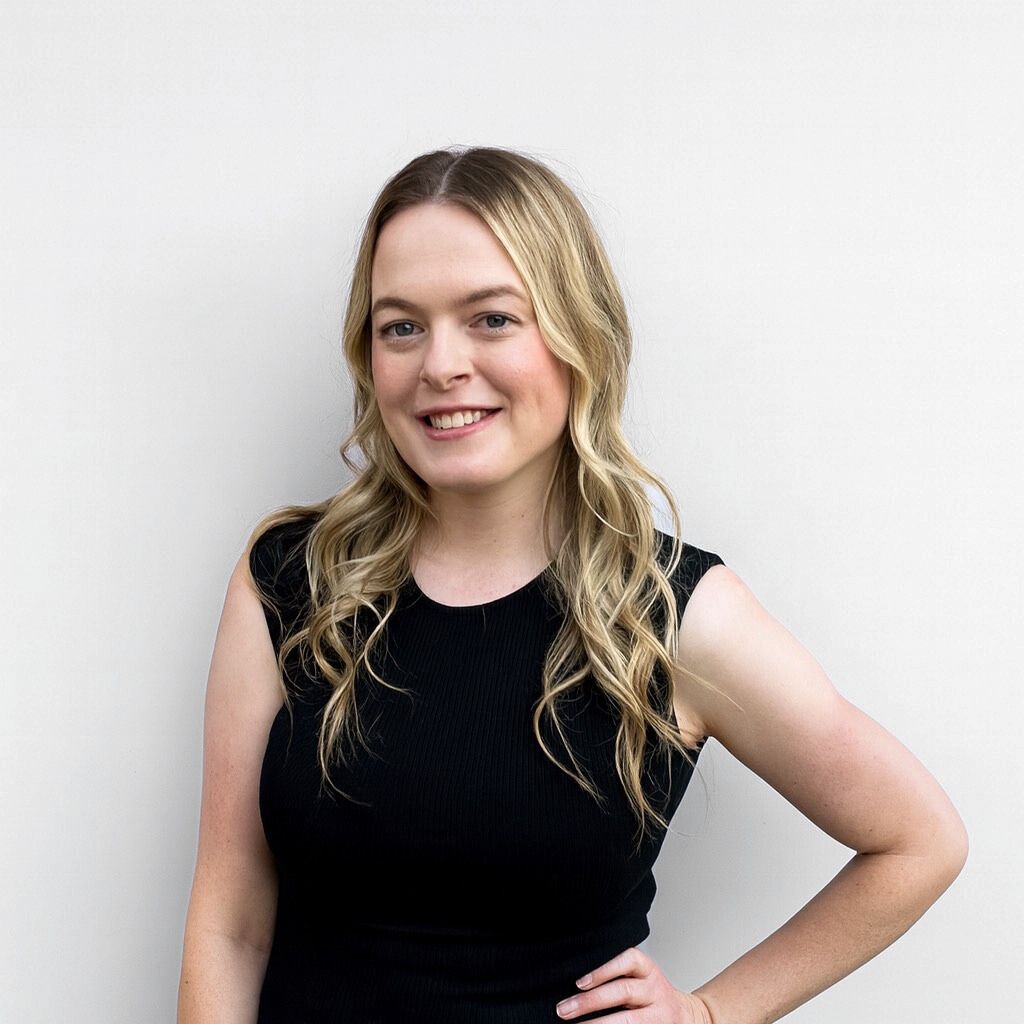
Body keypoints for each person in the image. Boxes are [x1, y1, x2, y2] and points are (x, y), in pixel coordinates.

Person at [177, 145, 968, 1024]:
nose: (440, 364)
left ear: (575, 334)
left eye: (491, 319)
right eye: (401, 326)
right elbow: (230, 925)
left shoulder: (673, 616)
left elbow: (918, 841)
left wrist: (711, 1013)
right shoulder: (291, 582)